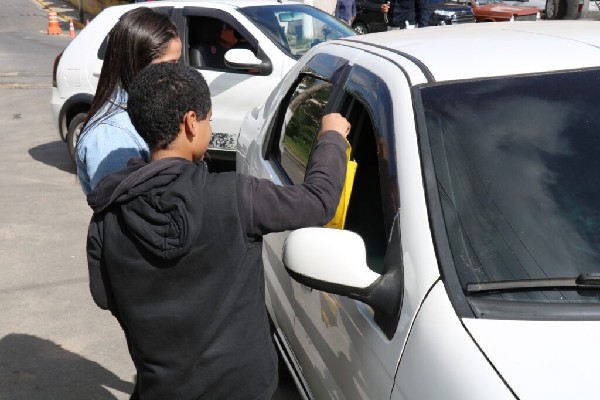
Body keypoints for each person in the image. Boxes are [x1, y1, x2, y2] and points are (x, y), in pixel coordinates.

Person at [85, 62, 351, 399]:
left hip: (164, 388)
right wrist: (331, 137)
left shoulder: (108, 215)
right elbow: (318, 201)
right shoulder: (235, 197)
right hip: (244, 387)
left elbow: (105, 297)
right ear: (190, 122)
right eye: (209, 119)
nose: (209, 128)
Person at [75, 7, 181, 195]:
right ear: (137, 63)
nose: (177, 74)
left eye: (177, 64)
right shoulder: (113, 135)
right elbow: (123, 207)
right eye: (169, 65)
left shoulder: (149, 108)